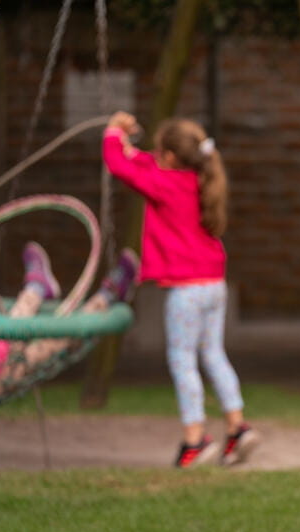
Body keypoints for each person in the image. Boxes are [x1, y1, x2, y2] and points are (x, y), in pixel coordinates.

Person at [102, 111, 260, 468]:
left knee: (182, 361)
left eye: (159, 152)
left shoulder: (164, 184)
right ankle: (237, 428)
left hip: (186, 292)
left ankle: (195, 440)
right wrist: (127, 142)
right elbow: (141, 162)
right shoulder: (199, 179)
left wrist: (112, 135)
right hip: (214, 286)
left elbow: (121, 167)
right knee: (213, 354)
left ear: (170, 157)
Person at [0, 242, 139, 409]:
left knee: (36, 344)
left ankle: (105, 294)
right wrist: (2, 343)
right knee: (37, 343)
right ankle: (105, 294)